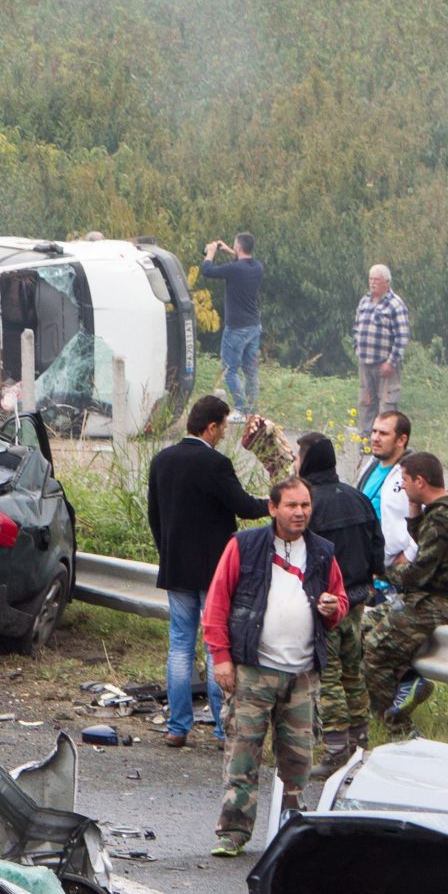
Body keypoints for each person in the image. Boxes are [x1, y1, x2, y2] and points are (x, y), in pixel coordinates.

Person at [203, 477, 347, 857]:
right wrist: (221, 659)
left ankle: (291, 832)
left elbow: (340, 600)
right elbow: (216, 605)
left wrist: (334, 608)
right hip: (253, 669)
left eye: (305, 506)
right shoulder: (244, 546)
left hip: (303, 675)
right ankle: (232, 833)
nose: (299, 513)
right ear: (272, 508)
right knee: (243, 754)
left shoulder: (322, 552)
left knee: (298, 760)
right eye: (291, 506)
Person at [147, 395, 272, 748]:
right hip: (215, 571)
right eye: (223, 427)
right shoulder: (216, 464)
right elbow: (244, 507)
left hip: (176, 568)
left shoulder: (162, 461)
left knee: (180, 646)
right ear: (212, 425)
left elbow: (154, 516)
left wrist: (167, 552)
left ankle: (177, 726)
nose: (223, 435)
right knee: (216, 646)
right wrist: (274, 503)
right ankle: (222, 729)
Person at [362, 452, 448, 738]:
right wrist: (414, 510)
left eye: (404, 480)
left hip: (438, 603)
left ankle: (397, 727)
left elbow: (417, 574)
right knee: (357, 628)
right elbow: (426, 544)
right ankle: (402, 687)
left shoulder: (443, 518)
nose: (401, 487)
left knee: (375, 651)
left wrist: (382, 572)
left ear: (420, 481)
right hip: (426, 598)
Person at [296, 434, 384, 771]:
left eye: (298, 457)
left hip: (326, 604)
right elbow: (378, 548)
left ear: (309, 461)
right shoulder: (358, 498)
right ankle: (360, 747)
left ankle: (335, 752)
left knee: (329, 675)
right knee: (354, 673)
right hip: (358, 599)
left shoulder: (307, 506)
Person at [200, 233, 264, 413]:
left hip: (236, 328)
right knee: (250, 371)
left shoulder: (234, 269)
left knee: (229, 370)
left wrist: (211, 253)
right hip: (254, 326)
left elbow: (207, 270)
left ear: (238, 248)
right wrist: (229, 250)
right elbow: (242, 261)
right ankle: (252, 410)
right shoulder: (258, 267)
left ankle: (241, 409)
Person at [351, 264, 408, 437]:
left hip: (385, 365)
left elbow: (402, 337)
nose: (373, 283)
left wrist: (391, 362)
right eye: (371, 279)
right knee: (366, 403)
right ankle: (366, 442)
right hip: (365, 363)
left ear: (387, 282)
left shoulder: (395, 304)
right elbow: (356, 327)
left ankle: (386, 441)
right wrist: (357, 349)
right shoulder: (364, 301)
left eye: (377, 279)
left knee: (387, 406)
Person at [357, 409, 417, 565]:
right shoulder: (371, 465)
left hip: (393, 573)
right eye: (374, 431)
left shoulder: (413, 474)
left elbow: (428, 520)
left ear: (401, 440)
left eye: (383, 434)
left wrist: (409, 555)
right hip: (366, 565)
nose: (375, 438)